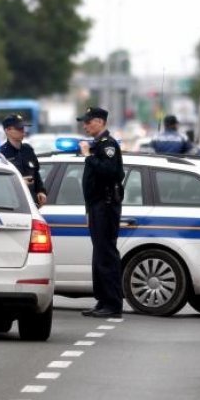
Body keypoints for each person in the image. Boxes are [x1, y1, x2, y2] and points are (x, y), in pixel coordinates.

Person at [77, 107, 125, 318]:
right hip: (97, 206)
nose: (85, 126)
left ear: (99, 121)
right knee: (99, 255)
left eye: (88, 122)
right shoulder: (98, 145)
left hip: (106, 205)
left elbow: (110, 172)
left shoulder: (108, 145)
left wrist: (88, 155)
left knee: (106, 254)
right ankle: (103, 300)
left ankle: (113, 304)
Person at [0, 113, 47, 206]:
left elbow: (36, 174)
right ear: (7, 130)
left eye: (23, 128)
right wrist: (19, 183)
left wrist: (41, 191)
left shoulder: (28, 149)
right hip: (13, 204)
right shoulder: (2, 154)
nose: (22, 131)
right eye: (18, 128)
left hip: (32, 202)